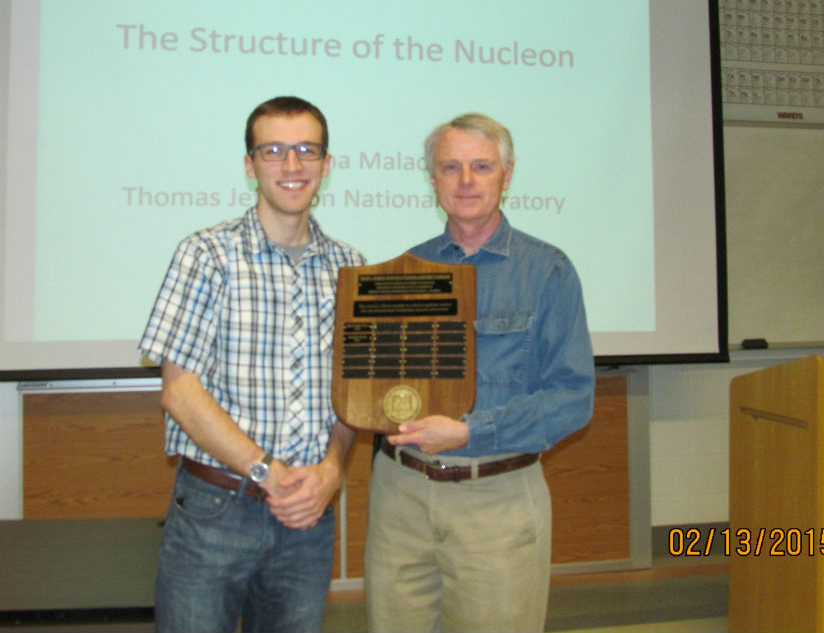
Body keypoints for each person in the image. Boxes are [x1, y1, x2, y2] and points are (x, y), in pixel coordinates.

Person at [139, 96, 365, 633]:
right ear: (250, 165)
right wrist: (267, 471)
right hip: (217, 512)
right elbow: (180, 391)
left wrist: (331, 472)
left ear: (326, 165)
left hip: (308, 517)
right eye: (274, 151)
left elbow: (353, 393)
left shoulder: (350, 267)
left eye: (307, 150)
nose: (292, 166)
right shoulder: (205, 254)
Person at [364, 113, 595, 633]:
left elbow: (572, 397)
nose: (466, 180)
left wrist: (470, 431)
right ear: (433, 180)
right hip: (399, 497)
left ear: (506, 176)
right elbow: (377, 384)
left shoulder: (549, 271)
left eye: (481, 166)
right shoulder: (401, 272)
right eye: (451, 167)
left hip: (497, 498)